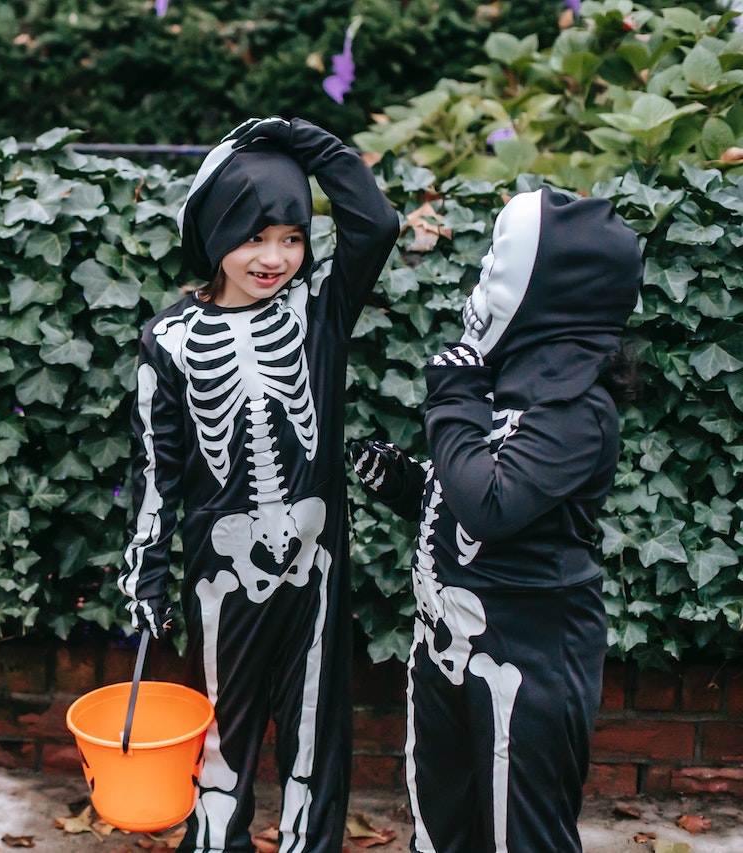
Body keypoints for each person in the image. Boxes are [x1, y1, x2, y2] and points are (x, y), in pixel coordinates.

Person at [117, 116, 398, 853]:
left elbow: (376, 222)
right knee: (223, 729)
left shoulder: (318, 313)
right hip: (222, 568)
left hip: (317, 558)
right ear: (215, 235)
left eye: (293, 237)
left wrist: (304, 141)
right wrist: (143, 575)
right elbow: (157, 469)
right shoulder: (169, 341)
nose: (274, 257)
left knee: (313, 727)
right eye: (253, 236)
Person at [348, 187, 641, 852]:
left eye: (494, 272)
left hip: (526, 658)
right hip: (447, 647)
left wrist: (452, 398)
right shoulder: (509, 383)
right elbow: (469, 492)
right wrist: (407, 484)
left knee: (521, 833)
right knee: (442, 819)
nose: (479, 288)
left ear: (548, 295)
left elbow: (494, 503)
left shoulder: (578, 412)